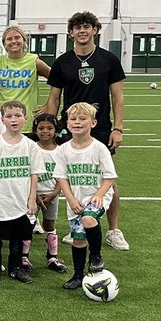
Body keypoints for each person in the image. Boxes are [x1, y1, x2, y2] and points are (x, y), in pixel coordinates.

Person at [44, 11, 128, 251]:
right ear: (71, 32)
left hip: (100, 129)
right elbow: (54, 97)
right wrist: (51, 126)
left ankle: (113, 230)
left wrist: (118, 128)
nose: (82, 31)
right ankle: (77, 226)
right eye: (77, 27)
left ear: (95, 30)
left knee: (107, 179)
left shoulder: (109, 60)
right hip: (70, 128)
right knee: (71, 179)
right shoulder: (62, 62)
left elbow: (117, 96)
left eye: (87, 27)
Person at [53, 102, 118, 291]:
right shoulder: (63, 150)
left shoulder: (99, 148)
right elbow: (61, 178)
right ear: (67, 123)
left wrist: (99, 194)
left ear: (93, 123)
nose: (77, 122)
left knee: (89, 219)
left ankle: (96, 256)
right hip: (76, 199)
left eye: (82, 119)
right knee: (79, 240)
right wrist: (71, 199)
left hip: (97, 196)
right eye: (73, 119)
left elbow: (109, 177)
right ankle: (78, 275)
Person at [0, 100, 43, 283]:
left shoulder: (30, 145)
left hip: (21, 199)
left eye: (18, 116)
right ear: (2, 120)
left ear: (26, 118)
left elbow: (34, 174)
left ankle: (16, 268)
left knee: (18, 236)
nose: (13, 120)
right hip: (0, 198)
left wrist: (32, 198)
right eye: (9, 116)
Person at [29, 112, 68, 274]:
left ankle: (52, 257)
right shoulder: (32, 148)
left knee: (49, 224)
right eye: (41, 128)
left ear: (56, 130)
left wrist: (54, 193)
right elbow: (27, 173)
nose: (45, 131)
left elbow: (62, 176)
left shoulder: (60, 151)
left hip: (52, 195)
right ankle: (24, 256)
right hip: (32, 195)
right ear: (35, 130)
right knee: (28, 224)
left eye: (49, 128)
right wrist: (34, 195)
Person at [0, 24, 51, 110]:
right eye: (9, 39)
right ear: (4, 44)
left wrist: (48, 105)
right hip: (1, 113)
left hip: (25, 114)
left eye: (17, 37)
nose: (13, 41)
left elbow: (56, 79)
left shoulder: (34, 61)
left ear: (24, 40)